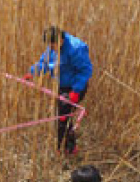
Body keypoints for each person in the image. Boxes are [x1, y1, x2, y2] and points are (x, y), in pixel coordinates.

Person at [25, 26, 93, 154]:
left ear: (61, 40)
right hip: (61, 86)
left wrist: (76, 91)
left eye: (52, 45)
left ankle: (65, 148)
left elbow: (85, 70)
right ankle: (68, 147)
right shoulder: (52, 48)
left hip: (75, 86)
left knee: (63, 118)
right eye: (49, 45)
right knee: (62, 117)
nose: (51, 48)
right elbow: (44, 64)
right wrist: (32, 72)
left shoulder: (76, 48)